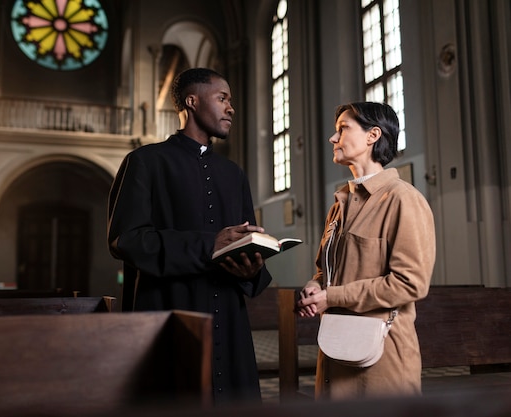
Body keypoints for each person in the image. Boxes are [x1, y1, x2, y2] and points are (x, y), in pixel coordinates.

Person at [107, 67, 273, 405]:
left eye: (231, 101)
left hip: (228, 318)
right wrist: (209, 244)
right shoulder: (144, 161)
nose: (231, 108)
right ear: (192, 101)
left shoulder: (233, 173)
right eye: (223, 98)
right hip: (169, 312)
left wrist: (251, 268)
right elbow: (126, 239)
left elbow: (243, 241)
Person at [296, 102, 436, 400]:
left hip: (382, 360)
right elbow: (325, 272)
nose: (333, 139)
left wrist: (330, 297)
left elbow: (410, 283)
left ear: (373, 135)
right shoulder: (339, 206)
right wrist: (314, 287)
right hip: (335, 349)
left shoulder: (403, 200)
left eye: (343, 129)